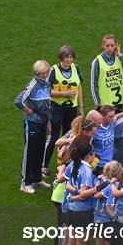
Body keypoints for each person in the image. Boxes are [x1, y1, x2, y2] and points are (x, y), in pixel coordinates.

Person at [43, 46, 84, 178]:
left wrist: (80, 107)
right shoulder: (53, 71)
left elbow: (79, 88)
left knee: (69, 137)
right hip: (57, 107)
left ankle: (64, 163)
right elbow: (46, 91)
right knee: (54, 136)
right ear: (61, 58)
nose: (69, 59)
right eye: (67, 57)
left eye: (71, 56)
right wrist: (64, 94)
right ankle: (44, 165)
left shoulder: (75, 68)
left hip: (71, 108)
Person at [15, 60, 52, 193]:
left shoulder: (47, 84)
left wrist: (48, 122)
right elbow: (18, 100)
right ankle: (25, 183)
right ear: (39, 73)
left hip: (42, 122)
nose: (47, 74)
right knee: (30, 152)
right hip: (32, 123)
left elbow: (47, 105)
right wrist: (27, 110)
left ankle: (36, 179)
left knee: (39, 150)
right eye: (45, 72)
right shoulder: (33, 85)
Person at [63, 141, 97, 245]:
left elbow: (66, 184)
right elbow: (84, 193)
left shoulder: (72, 164)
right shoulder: (87, 171)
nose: (95, 155)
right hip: (82, 211)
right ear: (89, 155)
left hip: (70, 208)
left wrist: (74, 191)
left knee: (72, 242)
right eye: (93, 153)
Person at [91, 161, 121, 245]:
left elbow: (95, 193)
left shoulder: (99, 179)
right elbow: (98, 195)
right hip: (108, 221)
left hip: (97, 220)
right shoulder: (113, 185)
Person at [91, 34, 123, 112]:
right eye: (107, 46)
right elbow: (93, 85)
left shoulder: (119, 58)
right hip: (105, 105)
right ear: (103, 46)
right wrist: (97, 105)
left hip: (119, 103)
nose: (110, 48)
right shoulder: (97, 62)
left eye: (112, 45)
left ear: (116, 46)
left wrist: (120, 56)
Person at [91, 106, 118, 176]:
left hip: (111, 163)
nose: (113, 119)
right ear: (102, 116)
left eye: (113, 116)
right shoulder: (95, 129)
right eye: (110, 117)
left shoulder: (112, 124)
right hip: (99, 165)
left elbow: (117, 117)